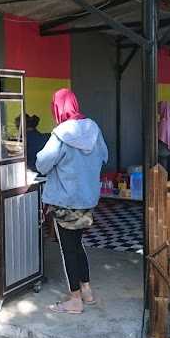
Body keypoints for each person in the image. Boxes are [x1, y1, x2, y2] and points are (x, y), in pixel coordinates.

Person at [36, 88, 108, 314]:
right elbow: (105, 156)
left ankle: (74, 300)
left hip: (65, 201)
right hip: (87, 200)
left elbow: (42, 164)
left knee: (68, 249)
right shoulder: (94, 129)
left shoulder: (60, 134)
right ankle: (87, 291)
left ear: (57, 108)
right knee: (78, 245)